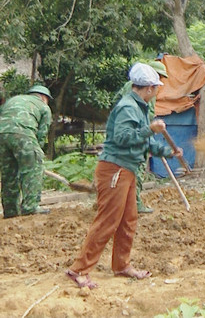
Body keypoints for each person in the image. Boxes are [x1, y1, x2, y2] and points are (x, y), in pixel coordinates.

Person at [66, 63, 181, 289]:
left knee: (128, 219)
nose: (157, 90)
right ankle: (78, 269)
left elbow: (144, 141)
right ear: (148, 88)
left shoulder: (140, 108)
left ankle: (121, 265)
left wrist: (168, 151)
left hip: (127, 169)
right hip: (115, 169)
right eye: (156, 86)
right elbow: (123, 138)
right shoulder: (128, 107)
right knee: (107, 221)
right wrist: (151, 129)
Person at [113, 60, 169, 215]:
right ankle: (134, 204)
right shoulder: (147, 91)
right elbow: (147, 114)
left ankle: (121, 203)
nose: (160, 83)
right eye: (160, 78)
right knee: (137, 167)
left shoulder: (131, 86)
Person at [0, 84, 53, 218]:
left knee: (8, 174)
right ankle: (30, 206)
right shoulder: (44, 107)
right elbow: (41, 134)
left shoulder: (13, 100)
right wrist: (36, 154)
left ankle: (10, 211)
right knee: (33, 168)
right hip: (23, 135)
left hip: (1, 135)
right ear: (44, 97)